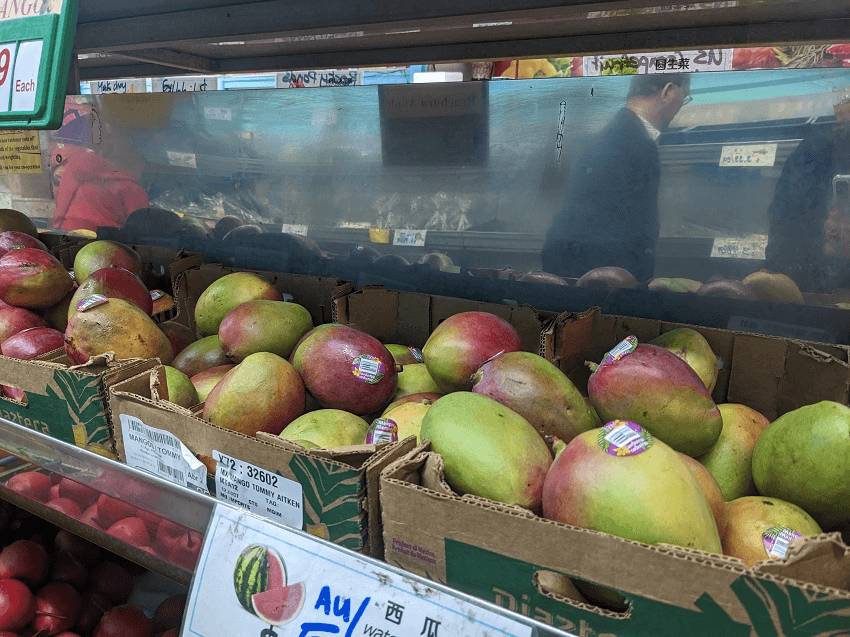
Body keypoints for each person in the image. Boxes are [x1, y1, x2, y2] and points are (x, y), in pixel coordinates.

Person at [541, 73, 691, 282]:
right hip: (603, 275)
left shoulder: (607, 135)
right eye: (685, 96)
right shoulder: (638, 143)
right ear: (667, 91)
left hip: (566, 262)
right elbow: (638, 230)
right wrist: (637, 287)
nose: (682, 105)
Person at [764, 91, 850, 292]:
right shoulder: (815, 148)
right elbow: (783, 212)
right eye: (842, 107)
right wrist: (777, 270)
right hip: (811, 272)